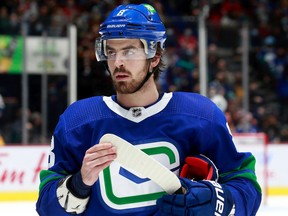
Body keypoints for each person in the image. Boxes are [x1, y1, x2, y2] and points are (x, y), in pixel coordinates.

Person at [36, 3, 261, 216]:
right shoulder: (78, 121)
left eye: (129, 51)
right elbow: (46, 207)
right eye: (111, 51)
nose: (118, 62)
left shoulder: (201, 116)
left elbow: (246, 186)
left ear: (155, 56)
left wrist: (218, 200)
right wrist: (78, 183)